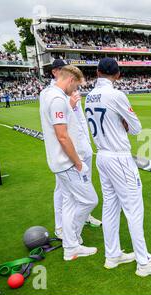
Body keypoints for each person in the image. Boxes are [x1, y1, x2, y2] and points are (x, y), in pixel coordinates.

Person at [85, 58, 151, 277]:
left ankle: (112, 255)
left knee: (110, 206)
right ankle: (144, 263)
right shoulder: (116, 95)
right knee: (134, 209)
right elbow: (136, 128)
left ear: (97, 72)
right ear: (118, 75)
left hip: (102, 156)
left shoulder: (88, 96)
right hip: (118, 157)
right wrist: (123, 122)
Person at [39, 65, 99, 261]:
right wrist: (77, 162)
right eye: (76, 86)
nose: (76, 91)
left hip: (59, 161)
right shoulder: (57, 99)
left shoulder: (48, 94)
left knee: (69, 203)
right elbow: (62, 136)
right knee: (90, 200)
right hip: (67, 162)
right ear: (70, 80)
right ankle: (71, 239)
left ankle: (71, 246)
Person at [49, 59, 102, 240]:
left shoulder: (70, 90)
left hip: (82, 146)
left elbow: (79, 121)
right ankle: (61, 227)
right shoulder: (52, 94)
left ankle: (84, 217)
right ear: (56, 72)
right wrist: (70, 105)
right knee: (63, 192)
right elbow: (61, 131)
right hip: (69, 154)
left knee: (85, 184)